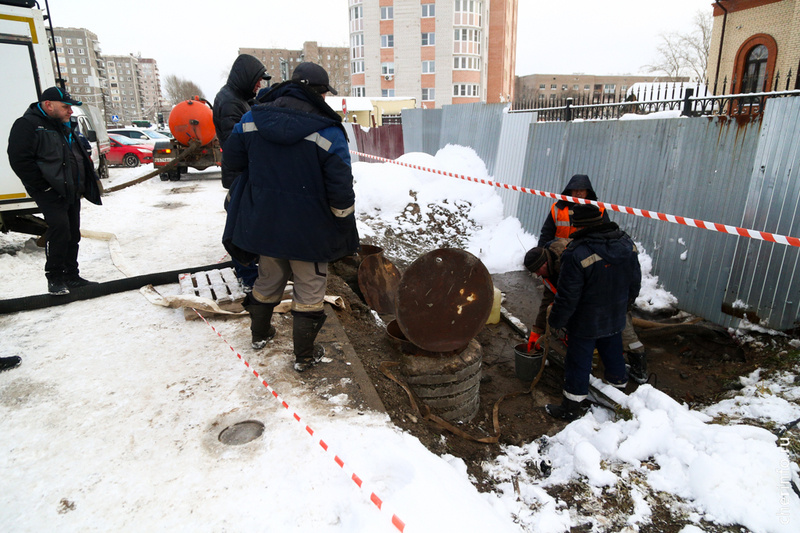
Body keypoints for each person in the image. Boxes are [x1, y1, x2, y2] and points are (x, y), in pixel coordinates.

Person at [222, 62, 358, 372]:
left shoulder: (251, 118)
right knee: (309, 289)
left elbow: (232, 160)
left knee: (268, 277)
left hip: (264, 223)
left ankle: (259, 335)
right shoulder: (327, 129)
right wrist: (343, 223)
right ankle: (304, 356)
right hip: (309, 230)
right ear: (319, 94)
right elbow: (340, 186)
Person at [545, 204, 642, 420]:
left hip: (586, 319)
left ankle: (571, 407)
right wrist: (626, 305)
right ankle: (619, 390)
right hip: (615, 313)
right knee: (613, 349)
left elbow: (568, 295)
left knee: (579, 361)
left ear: (578, 225)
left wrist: (557, 320)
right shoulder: (627, 243)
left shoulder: (576, 253)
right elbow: (635, 280)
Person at [7, 86, 102, 295]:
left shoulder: (63, 125)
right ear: (48, 105)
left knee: (72, 233)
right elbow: (19, 160)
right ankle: (55, 278)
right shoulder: (28, 125)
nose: (70, 111)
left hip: (70, 189)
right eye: (66, 106)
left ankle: (72, 276)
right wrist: (44, 187)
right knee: (59, 231)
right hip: (49, 191)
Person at [524, 239, 649, 384]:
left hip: (610, 293)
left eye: (537, 271)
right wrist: (537, 329)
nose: (538, 275)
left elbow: (581, 290)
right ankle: (597, 364)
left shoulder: (569, 261)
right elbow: (548, 299)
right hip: (592, 299)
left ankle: (638, 368)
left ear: (544, 263)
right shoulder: (550, 270)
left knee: (622, 331)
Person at [214, 54, 270, 292]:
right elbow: (235, 144)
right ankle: (247, 276)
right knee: (240, 226)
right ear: (247, 77)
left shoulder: (239, 99)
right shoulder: (230, 102)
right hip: (239, 173)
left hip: (242, 172)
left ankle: (248, 271)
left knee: (245, 223)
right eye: (257, 80)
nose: (259, 85)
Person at [537, 174, 610, 247]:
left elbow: (607, 235)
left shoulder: (599, 209)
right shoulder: (557, 209)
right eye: (575, 190)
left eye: (581, 190)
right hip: (559, 253)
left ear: (587, 192)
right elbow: (546, 234)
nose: (578, 193)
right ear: (570, 191)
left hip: (585, 253)